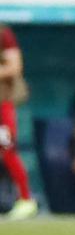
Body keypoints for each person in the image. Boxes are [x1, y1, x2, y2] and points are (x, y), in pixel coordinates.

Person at [0, 23, 36, 219]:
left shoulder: (3, 34)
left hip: (2, 103)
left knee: (8, 150)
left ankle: (26, 198)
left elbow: (14, 67)